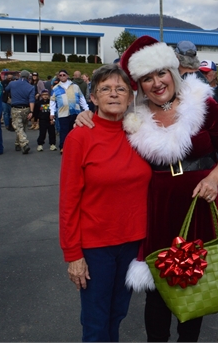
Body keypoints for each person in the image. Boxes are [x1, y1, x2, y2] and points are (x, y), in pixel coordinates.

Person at [76, 35, 218, 341]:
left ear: (173, 72)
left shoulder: (202, 102)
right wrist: (84, 115)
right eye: (146, 78)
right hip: (159, 207)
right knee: (157, 285)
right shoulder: (133, 116)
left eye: (161, 73)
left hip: (201, 204)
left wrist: (214, 177)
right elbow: (105, 124)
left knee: (195, 282)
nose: (156, 83)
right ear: (139, 84)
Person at [60, 64, 152, 342]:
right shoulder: (80, 137)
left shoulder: (141, 135)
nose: (114, 94)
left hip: (133, 243)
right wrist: (72, 254)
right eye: (105, 89)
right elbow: (68, 200)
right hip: (96, 247)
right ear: (94, 98)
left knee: (117, 314)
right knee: (96, 321)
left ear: (131, 96)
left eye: (121, 89)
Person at [50, 69, 89, 152]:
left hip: (75, 111)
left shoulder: (75, 86)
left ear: (67, 76)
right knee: (63, 130)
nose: (62, 76)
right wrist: (52, 112)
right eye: (60, 75)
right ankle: (63, 147)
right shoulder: (56, 88)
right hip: (62, 112)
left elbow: (81, 98)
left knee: (74, 130)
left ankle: (74, 146)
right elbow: (52, 101)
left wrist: (86, 109)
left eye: (64, 75)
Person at [5, 69, 35, 154]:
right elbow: (31, 100)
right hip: (26, 108)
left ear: (20, 75)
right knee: (23, 126)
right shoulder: (31, 87)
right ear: (28, 77)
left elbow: (6, 89)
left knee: (18, 127)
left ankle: (24, 144)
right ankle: (18, 143)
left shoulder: (12, 84)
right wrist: (31, 111)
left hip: (16, 108)